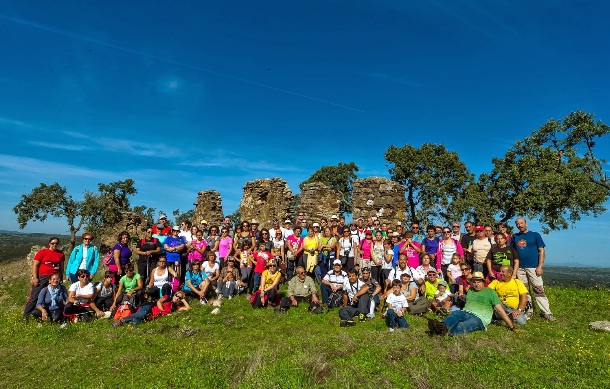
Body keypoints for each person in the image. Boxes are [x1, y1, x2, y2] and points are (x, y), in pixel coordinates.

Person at [427, 271, 519, 336]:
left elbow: (500, 310)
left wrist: (511, 326)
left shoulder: (490, 292)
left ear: (483, 282)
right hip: (466, 312)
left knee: (466, 325)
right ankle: (442, 326)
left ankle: (446, 332)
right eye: (474, 282)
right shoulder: (470, 290)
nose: (476, 284)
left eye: (479, 282)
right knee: (455, 315)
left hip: (480, 318)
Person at [510, 218, 555, 321]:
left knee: (538, 289)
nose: (519, 225)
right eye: (517, 224)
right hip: (520, 268)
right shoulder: (515, 237)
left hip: (533, 267)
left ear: (526, 223)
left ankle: (547, 312)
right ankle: (529, 310)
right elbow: (513, 253)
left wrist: (540, 266)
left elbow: (541, 251)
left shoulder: (535, 235)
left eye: (521, 223)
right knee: (525, 291)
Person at [24, 237, 65, 319]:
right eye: (52, 243)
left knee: (55, 294)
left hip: (55, 277)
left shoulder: (60, 253)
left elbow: (61, 266)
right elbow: (35, 265)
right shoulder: (43, 252)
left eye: (56, 243)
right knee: (34, 296)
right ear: (49, 243)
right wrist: (35, 278)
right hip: (43, 276)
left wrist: (60, 277)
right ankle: (26, 316)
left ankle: (54, 313)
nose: (54, 245)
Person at [116, 291, 190, 326]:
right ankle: (122, 320)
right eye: (177, 295)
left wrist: (183, 300)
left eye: (179, 298)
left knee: (137, 322)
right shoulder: (167, 297)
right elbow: (159, 302)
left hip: (151, 316)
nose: (177, 298)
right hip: (149, 307)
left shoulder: (175, 307)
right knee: (142, 314)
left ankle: (122, 323)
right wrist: (163, 312)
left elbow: (188, 309)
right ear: (174, 294)